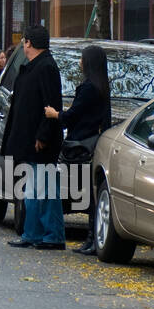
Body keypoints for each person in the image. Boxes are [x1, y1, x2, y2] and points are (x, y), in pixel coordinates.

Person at [2, 25, 64, 250]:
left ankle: (45, 234)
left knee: (40, 189)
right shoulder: (36, 66)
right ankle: (38, 233)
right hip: (33, 138)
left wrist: (43, 135)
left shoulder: (45, 67)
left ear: (28, 42)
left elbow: (51, 105)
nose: (22, 44)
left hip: (40, 142)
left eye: (24, 41)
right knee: (39, 188)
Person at [45, 44, 111, 255]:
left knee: (87, 195)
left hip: (82, 145)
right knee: (91, 196)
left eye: (82, 59)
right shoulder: (103, 86)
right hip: (95, 143)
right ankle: (92, 238)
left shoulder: (88, 88)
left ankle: (92, 238)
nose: (80, 63)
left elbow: (73, 115)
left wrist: (55, 114)